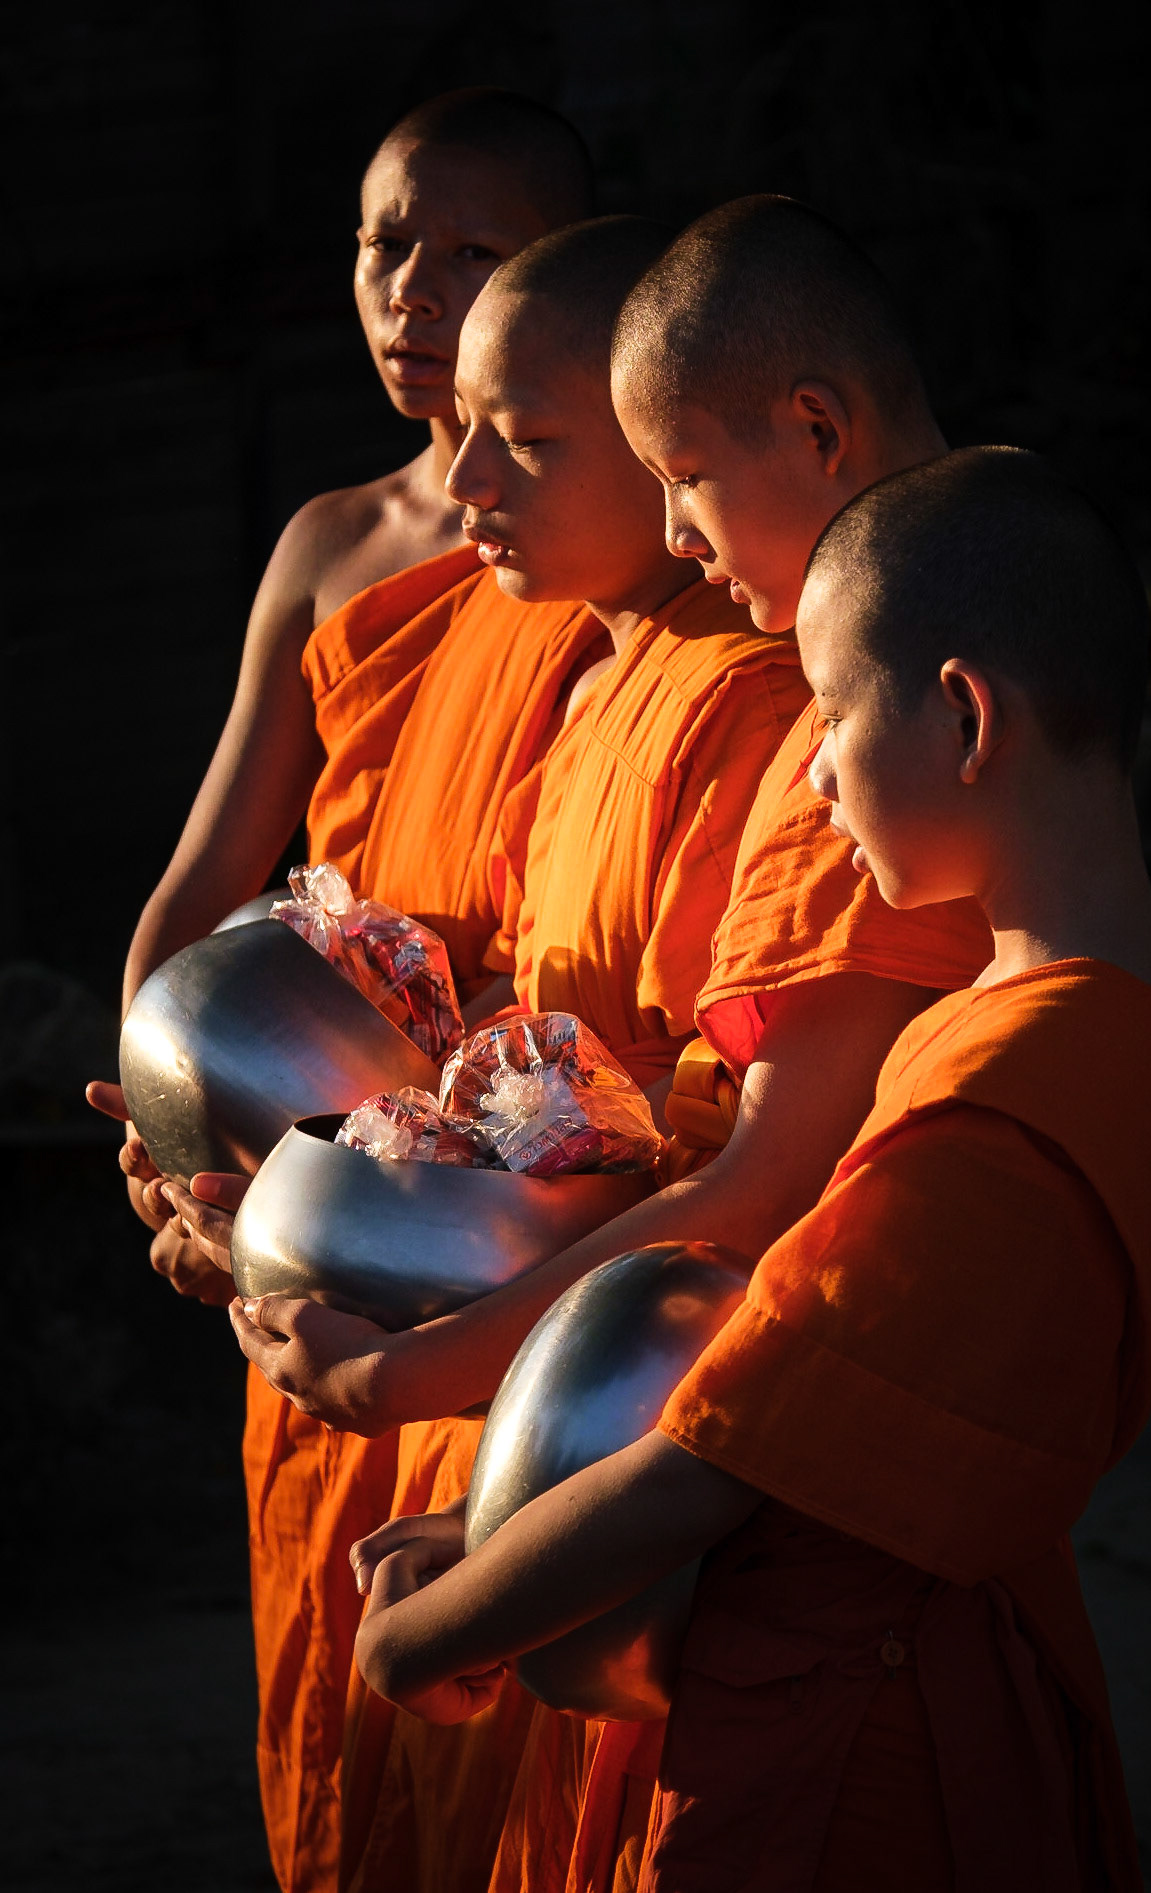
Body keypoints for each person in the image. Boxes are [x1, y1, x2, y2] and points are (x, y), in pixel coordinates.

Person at [348, 447, 1151, 1893]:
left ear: (960, 713)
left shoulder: (1023, 1067)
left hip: (847, 1734)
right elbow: (818, 1394)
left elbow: (714, 1463)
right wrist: (490, 1516)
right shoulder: (1123, 1013)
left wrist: (434, 1631)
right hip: (898, 1675)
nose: (808, 772)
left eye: (825, 711)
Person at [169, 214, 809, 1893]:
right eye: (460, 434)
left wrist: (427, 1353)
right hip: (477, 1328)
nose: (462, 488)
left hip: (593, 1377)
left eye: (519, 442)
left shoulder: (751, 703)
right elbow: (496, 1060)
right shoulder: (582, 678)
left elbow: (734, 1149)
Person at [88, 88, 599, 1893]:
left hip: (517, 1198)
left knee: (520, 1737)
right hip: (312, 1174)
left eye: (475, 250)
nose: (418, 287)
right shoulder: (331, 544)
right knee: (341, 1730)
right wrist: (170, 1140)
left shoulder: (610, 543)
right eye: (391, 239)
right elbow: (202, 879)